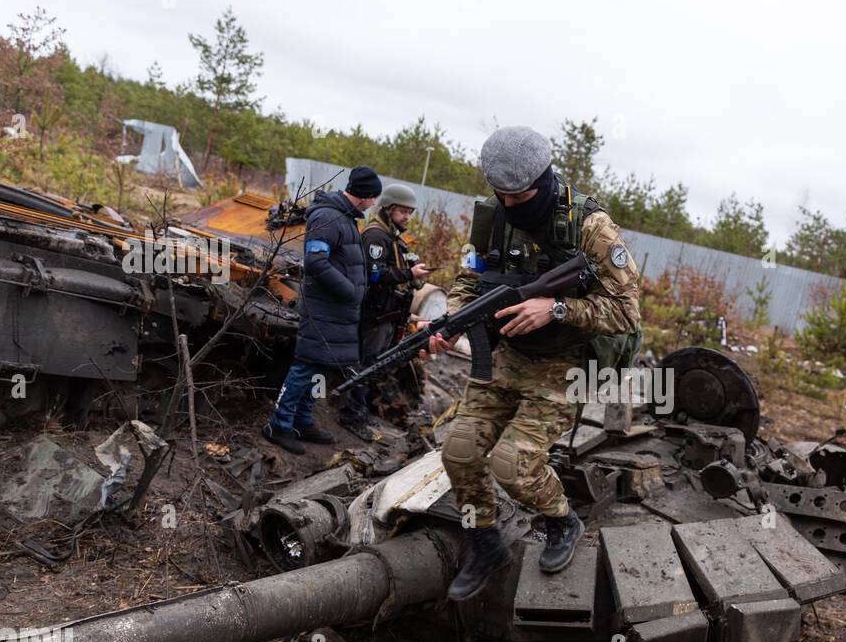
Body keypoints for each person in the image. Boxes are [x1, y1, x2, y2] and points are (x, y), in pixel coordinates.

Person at [418, 125, 641, 601]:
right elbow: (469, 279)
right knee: (458, 452)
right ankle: (484, 541)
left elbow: (626, 312)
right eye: (500, 193)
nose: (508, 203)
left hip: (565, 365)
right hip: (503, 355)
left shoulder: (591, 228)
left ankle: (562, 520)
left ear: (543, 181)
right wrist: (450, 321)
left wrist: (556, 308)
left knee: (512, 465)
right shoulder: (492, 218)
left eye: (517, 195)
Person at [262, 166, 381, 454]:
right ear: (365, 195)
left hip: (339, 312)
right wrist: (350, 291)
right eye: (374, 196)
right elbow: (315, 261)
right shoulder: (328, 216)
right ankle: (278, 424)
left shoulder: (346, 218)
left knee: (322, 368)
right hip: (325, 308)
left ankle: (303, 420)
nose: (375, 202)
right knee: (305, 367)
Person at [343, 183, 432, 437]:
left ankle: (364, 411)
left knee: (376, 366)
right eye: (403, 211)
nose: (407, 217)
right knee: (364, 365)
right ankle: (351, 415)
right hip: (374, 314)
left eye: (410, 213)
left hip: (388, 316)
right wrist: (408, 273)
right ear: (389, 209)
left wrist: (412, 276)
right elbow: (374, 275)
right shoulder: (376, 236)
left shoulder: (392, 236)